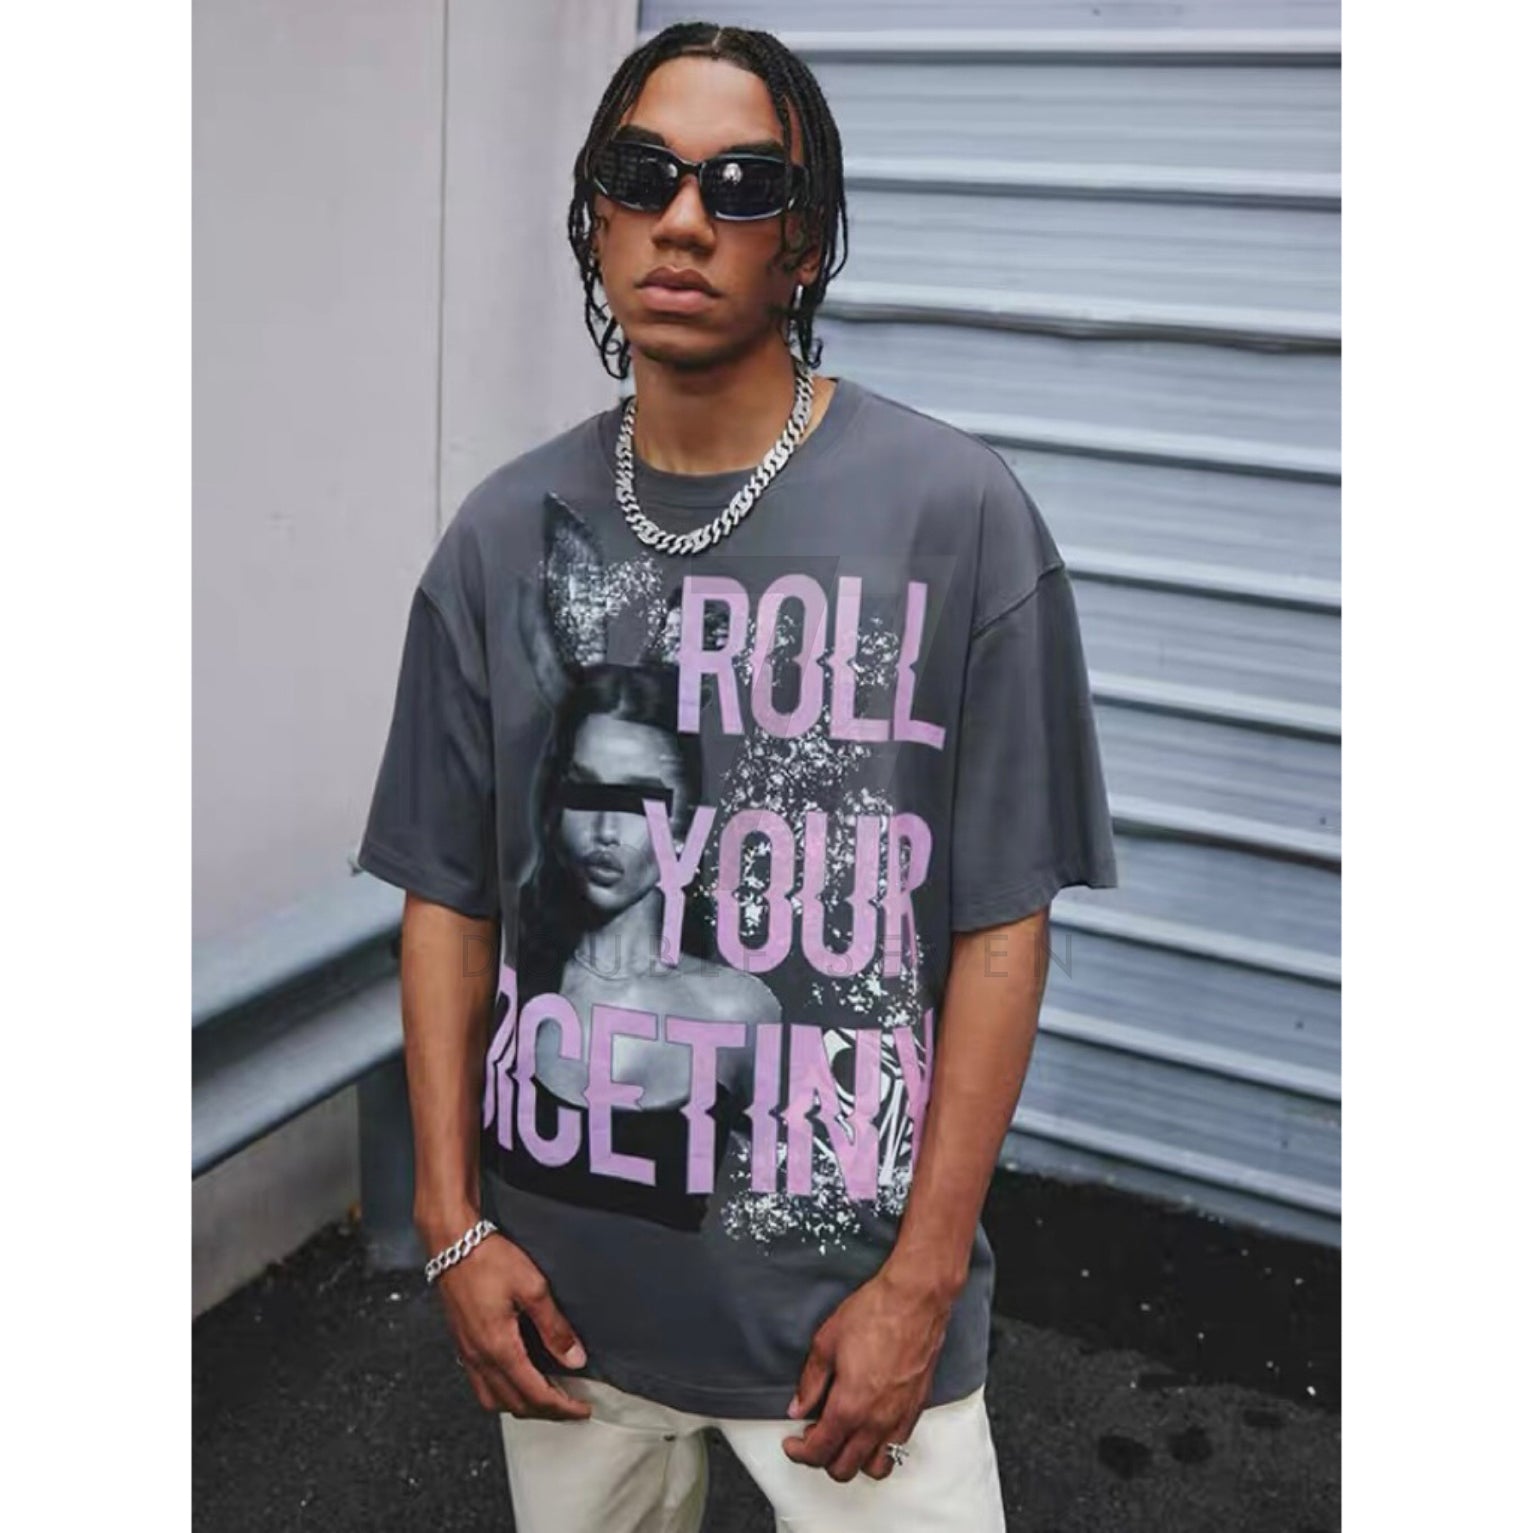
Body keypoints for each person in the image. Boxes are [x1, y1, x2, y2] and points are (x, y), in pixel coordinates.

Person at [356, 19, 1117, 1532]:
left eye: (743, 184)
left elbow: (998, 927)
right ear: (595, 216)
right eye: (642, 175)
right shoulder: (502, 537)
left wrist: (918, 1284)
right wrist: (452, 1224)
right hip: (565, 1307)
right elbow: (446, 896)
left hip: (851, 1323)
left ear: (807, 241)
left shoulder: (955, 517)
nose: (685, 218)